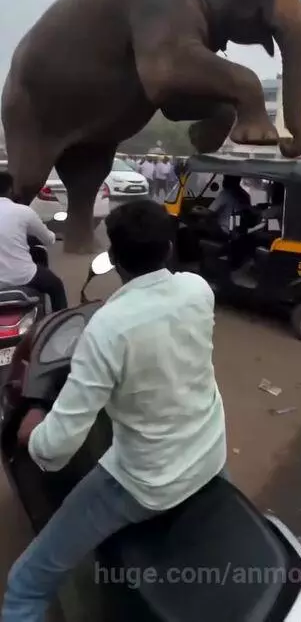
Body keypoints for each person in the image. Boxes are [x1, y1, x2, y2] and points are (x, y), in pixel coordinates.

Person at [2, 200, 226, 621]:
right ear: (168, 248)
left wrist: (33, 426)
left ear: (115, 258)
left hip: (145, 483)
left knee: (25, 584)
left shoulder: (108, 327)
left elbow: (56, 451)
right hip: (210, 455)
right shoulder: (198, 290)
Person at [0, 171, 67, 312]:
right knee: (56, 286)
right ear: (10, 189)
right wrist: (53, 236)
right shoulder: (23, 212)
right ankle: (60, 326)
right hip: (22, 276)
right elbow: (48, 239)